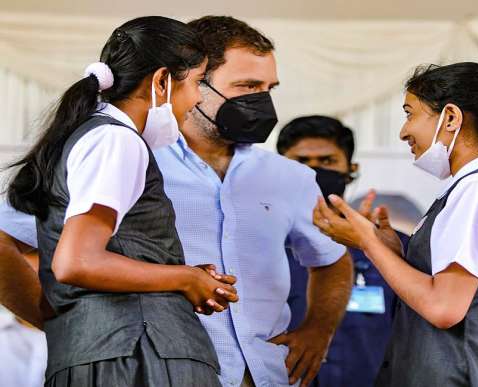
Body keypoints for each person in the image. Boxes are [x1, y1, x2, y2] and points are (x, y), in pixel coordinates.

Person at [0, 15, 353, 387]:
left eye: (269, 88)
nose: (261, 101)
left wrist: (318, 331)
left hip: (257, 374)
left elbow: (331, 258)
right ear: (170, 78)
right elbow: (42, 248)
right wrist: (59, 319)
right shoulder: (123, 147)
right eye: (246, 86)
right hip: (147, 365)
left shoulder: (289, 177)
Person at [312, 62, 478, 386]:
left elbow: (444, 307)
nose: (403, 131)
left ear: (451, 118)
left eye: (410, 114)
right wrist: (393, 251)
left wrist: (367, 243)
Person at [4, 16, 238, 386]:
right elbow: (77, 261)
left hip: (106, 353)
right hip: (141, 359)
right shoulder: (118, 140)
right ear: (162, 81)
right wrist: (183, 277)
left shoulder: (87, 135)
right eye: (197, 82)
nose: (196, 99)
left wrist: (181, 276)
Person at [277, 115, 409, 386]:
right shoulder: (256, 244)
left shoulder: (388, 247)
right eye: (300, 163)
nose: (313, 172)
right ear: (278, 169)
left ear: (351, 169)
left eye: (326, 161)